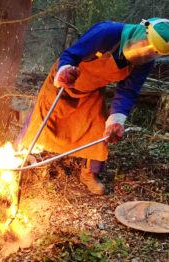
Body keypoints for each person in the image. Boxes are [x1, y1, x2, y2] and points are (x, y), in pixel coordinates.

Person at [18, 18, 169, 195]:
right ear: (144, 30)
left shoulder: (145, 62)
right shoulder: (107, 32)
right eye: (147, 44)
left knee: (98, 126)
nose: (146, 52)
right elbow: (71, 54)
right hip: (64, 82)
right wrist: (65, 70)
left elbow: (128, 90)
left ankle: (89, 174)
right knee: (40, 118)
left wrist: (116, 120)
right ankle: (17, 158)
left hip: (91, 90)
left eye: (153, 52)